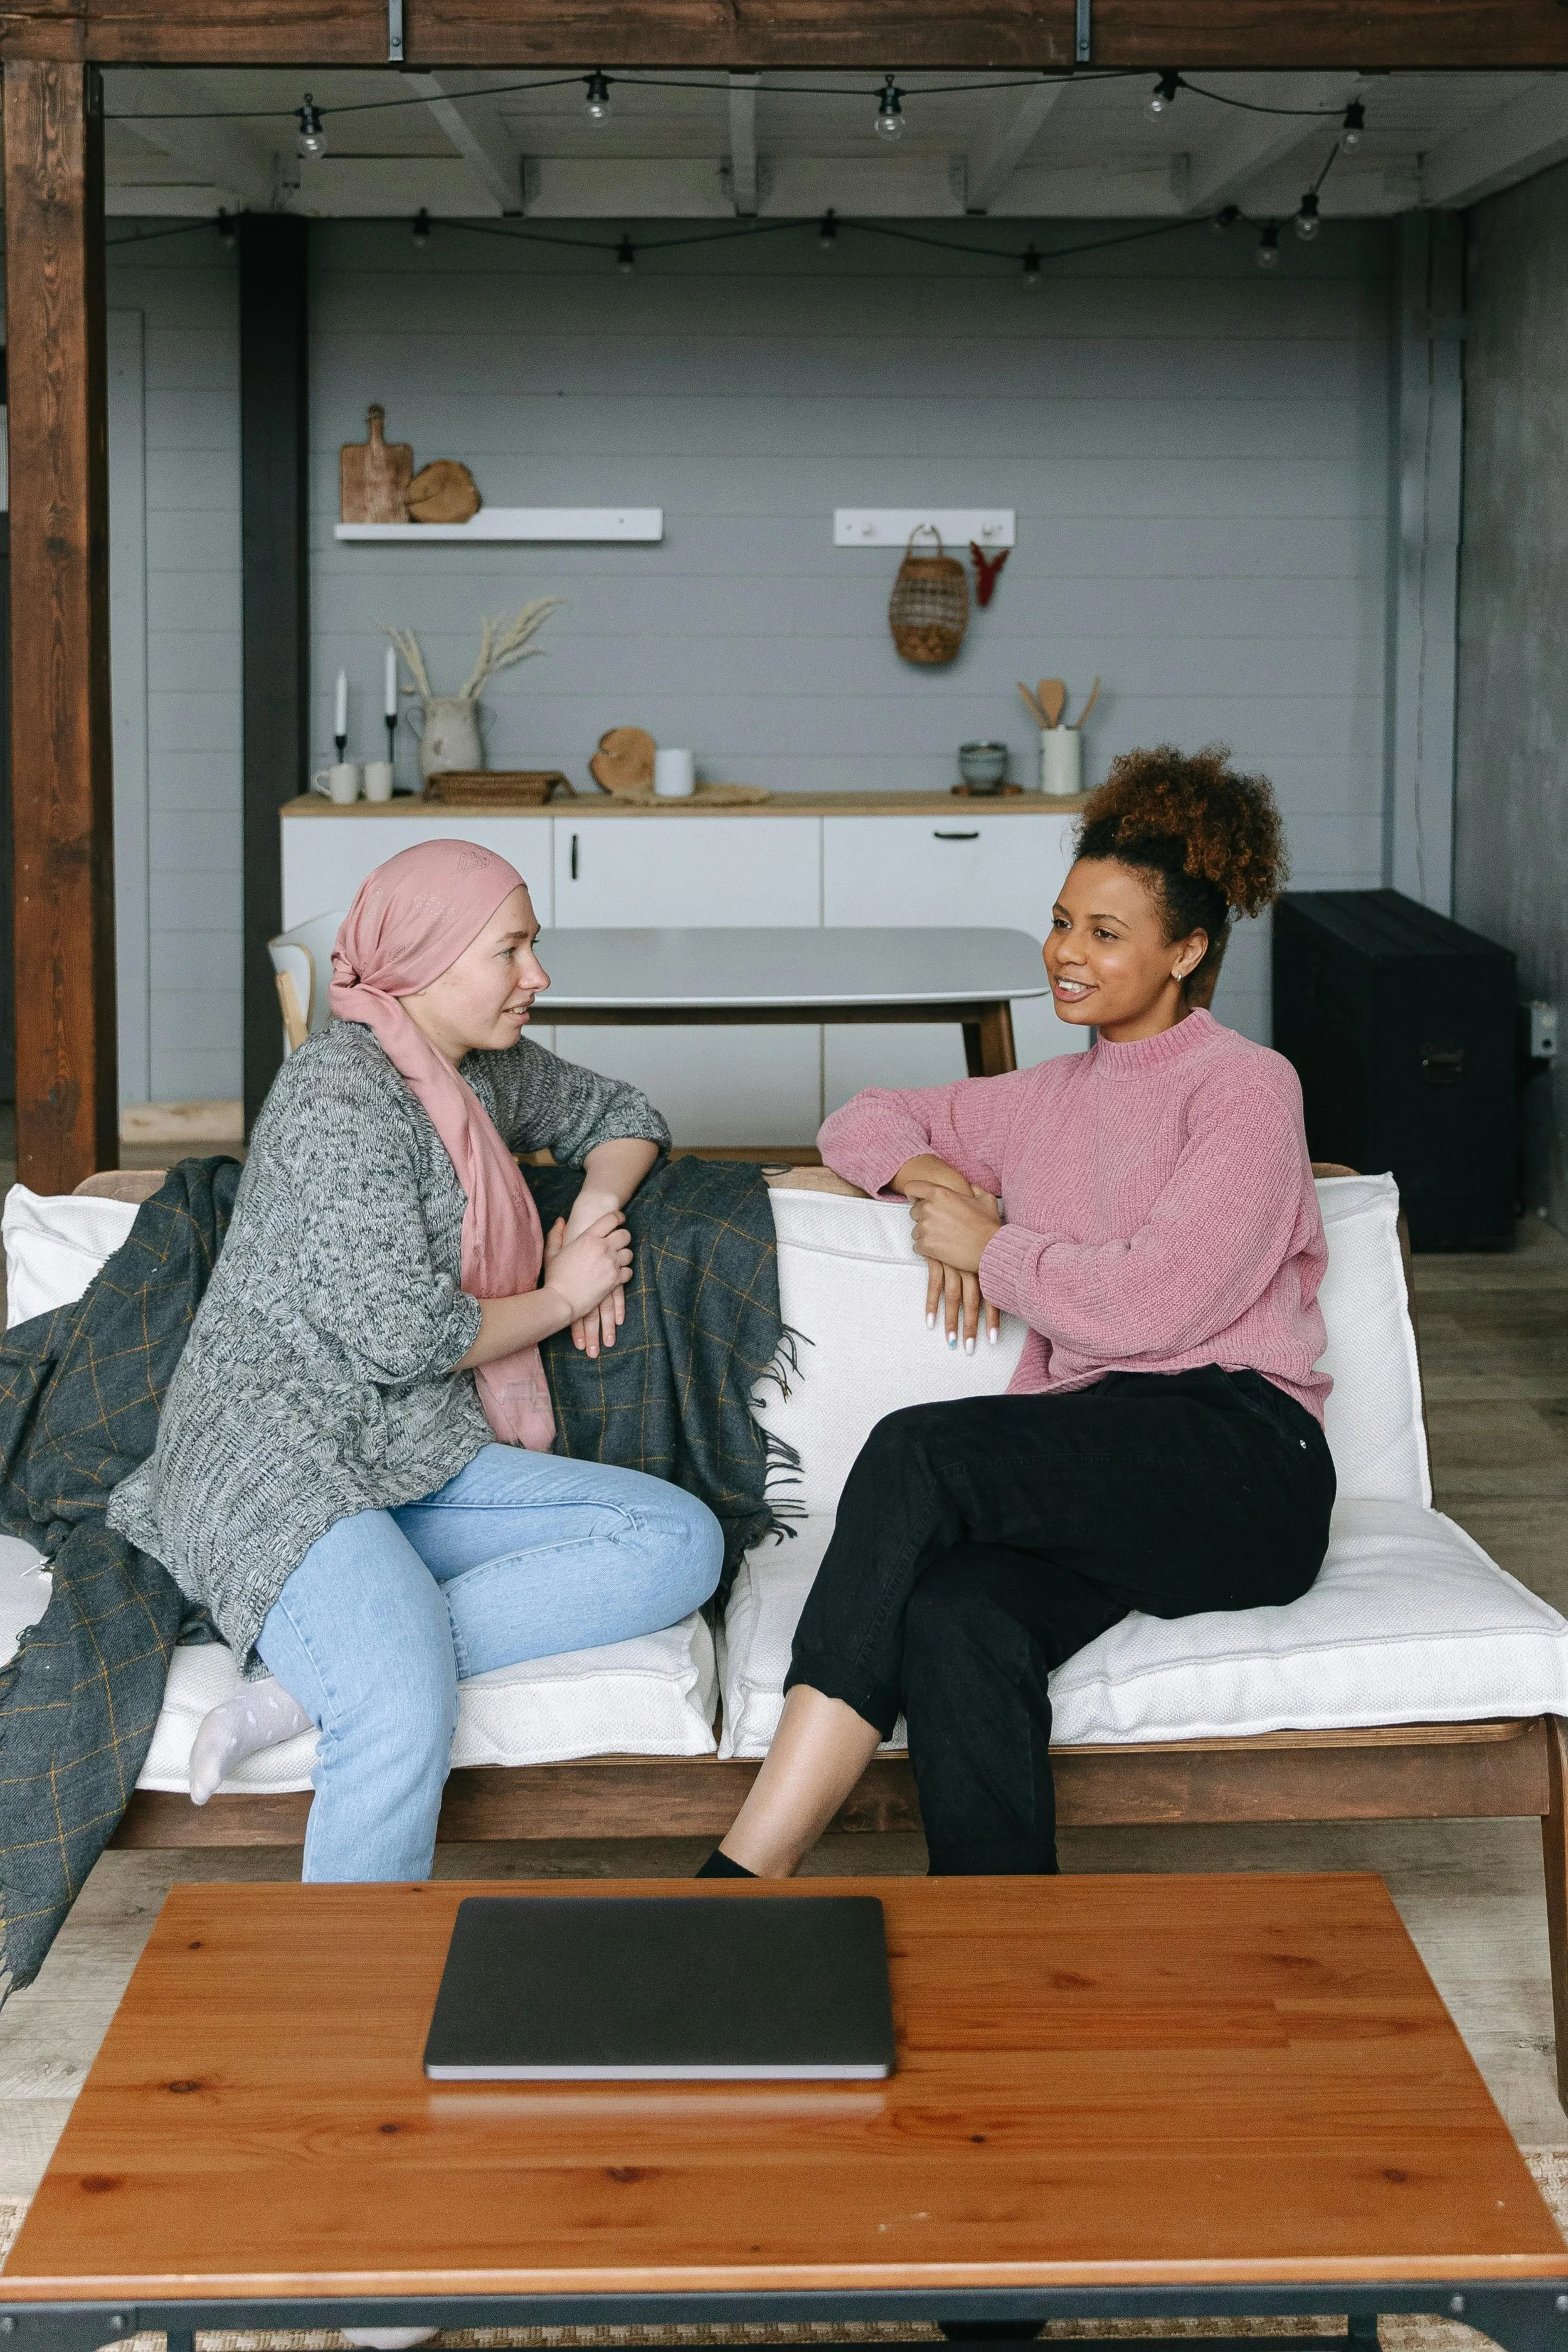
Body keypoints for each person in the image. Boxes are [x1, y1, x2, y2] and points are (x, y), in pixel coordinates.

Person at [699, 744, 1335, 1882]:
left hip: (1243, 1462)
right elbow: (864, 1115)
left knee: (920, 1452)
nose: (1065, 954)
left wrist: (994, 1249)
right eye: (1060, 921)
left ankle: (742, 1874)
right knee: (958, 1615)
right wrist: (931, 1177)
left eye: (1105, 932)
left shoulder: (1248, 1087)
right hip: (1100, 1473)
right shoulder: (1042, 1098)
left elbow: (1155, 1299)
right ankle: (998, 1937)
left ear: (1187, 951)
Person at [109, 840, 724, 1881]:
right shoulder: (335, 1094)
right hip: (274, 1454)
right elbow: (409, 1334)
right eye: (512, 950)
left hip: (415, 1447)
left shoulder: (480, 1072)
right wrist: (565, 1294)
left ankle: (308, 1681)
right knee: (399, 1701)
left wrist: (596, 1204)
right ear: (427, 960)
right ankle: (348, 2029)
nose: (539, 976)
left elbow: (625, 1113)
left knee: (677, 1540)